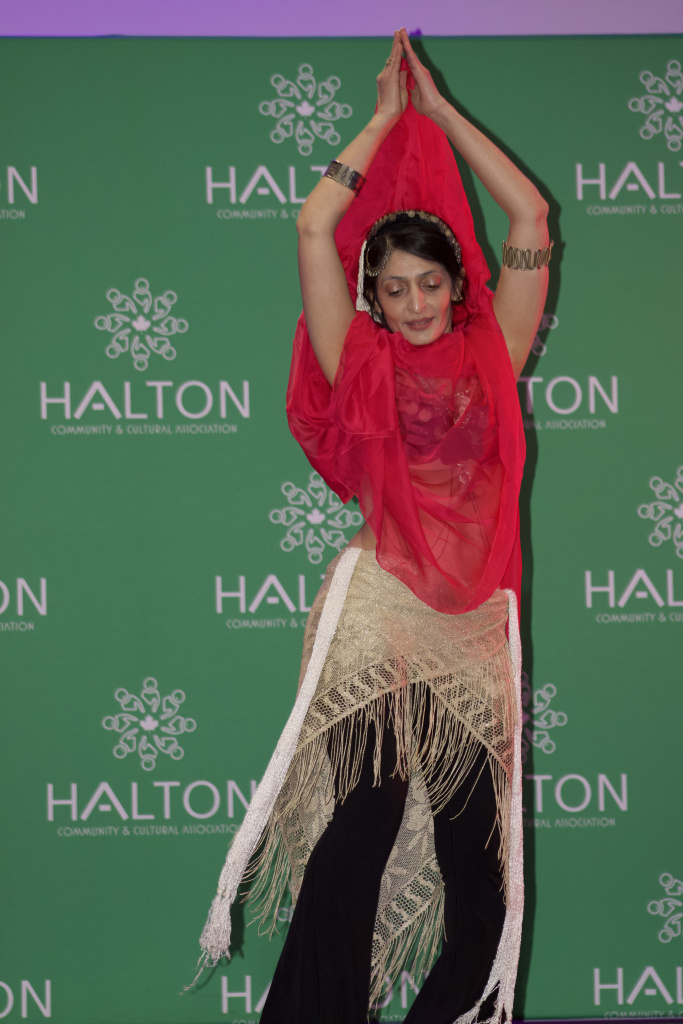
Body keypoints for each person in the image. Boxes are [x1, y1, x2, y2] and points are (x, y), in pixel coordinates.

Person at [197, 29, 551, 1024]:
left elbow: (528, 215)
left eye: (428, 282)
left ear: (457, 283)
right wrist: (380, 121)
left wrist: (437, 114)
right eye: (391, 287)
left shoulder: (497, 345)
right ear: (375, 297)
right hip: (382, 610)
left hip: (472, 622)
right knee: (358, 835)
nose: (412, 302)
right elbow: (315, 226)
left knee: (482, 872)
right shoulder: (356, 355)